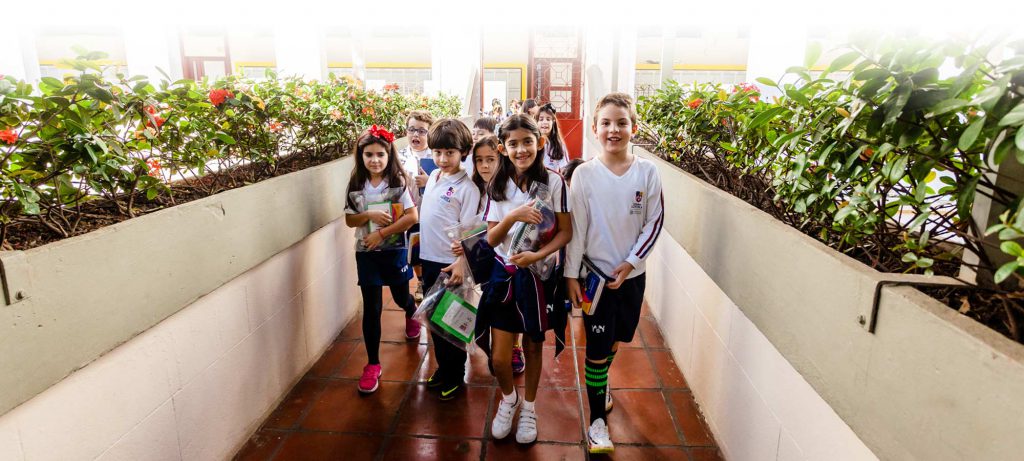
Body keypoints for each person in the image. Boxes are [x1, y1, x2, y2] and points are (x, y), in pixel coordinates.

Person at [564, 93, 665, 454]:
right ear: (594, 128)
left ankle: (602, 380)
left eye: (621, 122)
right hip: (595, 280)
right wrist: (571, 275)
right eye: (606, 123)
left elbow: (655, 222)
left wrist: (632, 261)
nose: (613, 129)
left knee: (617, 340)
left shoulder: (647, 172)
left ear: (633, 128)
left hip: (632, 279)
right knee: (595, 349)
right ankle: (597, 423)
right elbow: (577, 229)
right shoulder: (584, 175)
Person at [482, 114, 572, 444]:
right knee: (499, 358)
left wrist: (536, 255)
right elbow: (491, 239)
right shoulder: (498, 184)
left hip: (539, 278)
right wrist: (513, 216)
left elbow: (565, 232)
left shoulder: (554, 182)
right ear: (503, 148)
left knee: (534, 346)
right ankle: (509, 400)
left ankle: (530, 407)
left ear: (540, 142)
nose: (521, 150)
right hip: (505, 276)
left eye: (527, 142)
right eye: (513, 144)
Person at [344, 125, 422, 394]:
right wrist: (368, 216)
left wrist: (382, 234)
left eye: (380, 154)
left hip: (393, 251)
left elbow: (412, 217)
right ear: (361, 156)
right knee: (372, 308)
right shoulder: (356, 183)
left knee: (400, 297)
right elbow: (349, 220)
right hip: (367, 254)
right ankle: (373, 364)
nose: (375, 160)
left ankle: (411, 312)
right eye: (369, 155)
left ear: (389, 155)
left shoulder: (397, 183)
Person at [419, 119, 480, 401]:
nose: (442, 159)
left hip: (452, 266)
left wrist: (461, 264)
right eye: (437, 152)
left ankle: (455, 375)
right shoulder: (434, 176)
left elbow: (470, 234)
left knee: (452, 323)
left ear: (464, 151)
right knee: (434, 319)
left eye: (450, 153)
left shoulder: (468, 189)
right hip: (429, 260)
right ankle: (444, 368)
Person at [397, 110, 434, 302]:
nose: (416, 135)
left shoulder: (436, 155)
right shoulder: (399, 156)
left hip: (432, 213)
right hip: (410, 213)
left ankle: (432, 280)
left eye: (421, 131)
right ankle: (421, 280)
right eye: (411, 130)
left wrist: (430, 181)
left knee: (431, 248)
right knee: (415, 248)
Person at [536, 102, 570, 172]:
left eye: (548, 119)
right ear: (536, 122)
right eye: (541, 119)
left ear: (553, 122)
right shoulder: (532, 144)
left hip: (552, 178)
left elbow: (564, 169)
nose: (545, 122)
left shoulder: (559, 145)